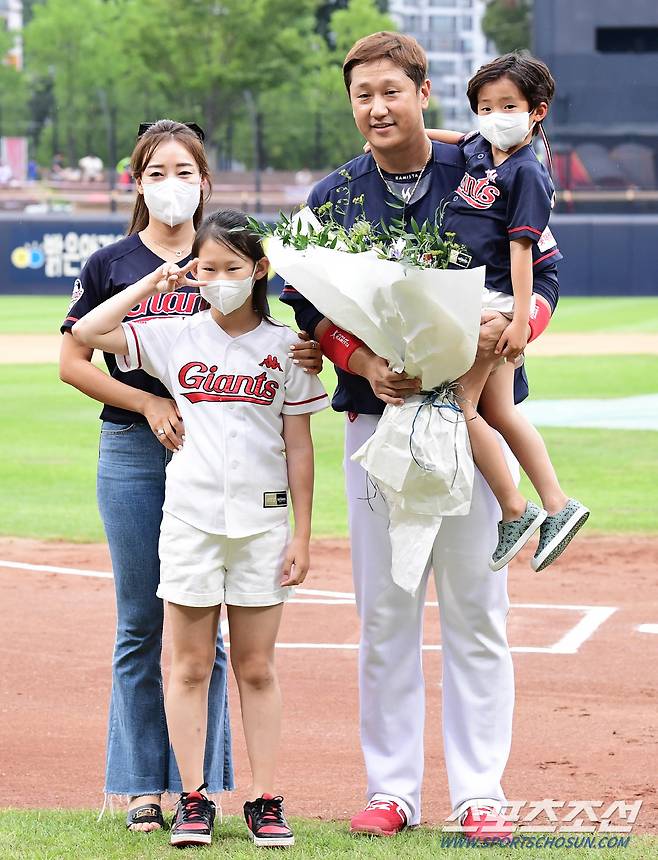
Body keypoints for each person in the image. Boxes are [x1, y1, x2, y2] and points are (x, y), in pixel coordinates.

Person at [281, 32, 557, 841]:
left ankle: (480, 793)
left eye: (390, 91)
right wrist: (364, 360)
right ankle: (391, 788)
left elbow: (548, 271)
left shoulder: (487, 171)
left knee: (476, 611)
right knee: (386, 615)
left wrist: (518, 325)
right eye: (362, 94)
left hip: (469, 427)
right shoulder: (333, 196)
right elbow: (309, 307)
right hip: (379, 423)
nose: (376, 107)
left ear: (423, 90)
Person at [59, 119, 322, 832]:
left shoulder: (250, 287)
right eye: (156, 172)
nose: (170, 185)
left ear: (205, 181)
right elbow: (77, 350)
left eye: (184, 172)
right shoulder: (124, 270)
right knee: (154, 629)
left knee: (232, 651)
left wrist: (316, 355)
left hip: (242, 476)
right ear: (137, 182)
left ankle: (212, 789)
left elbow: (300, 408)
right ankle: (153, 785)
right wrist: (148, 396)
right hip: (147, 458)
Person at [424, 52, 589, 572]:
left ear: (536, 111)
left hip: (494, 300)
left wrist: (519, 320)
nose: (495, 115)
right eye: (486, 105)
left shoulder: (526, 174)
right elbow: (456, 139)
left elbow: (523, 251)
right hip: (481, 295)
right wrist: (416, 133)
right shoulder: (483, 151)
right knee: (500, 410)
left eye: (509, 105)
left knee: (456, 408)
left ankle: (516, 510)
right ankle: (559, 504)